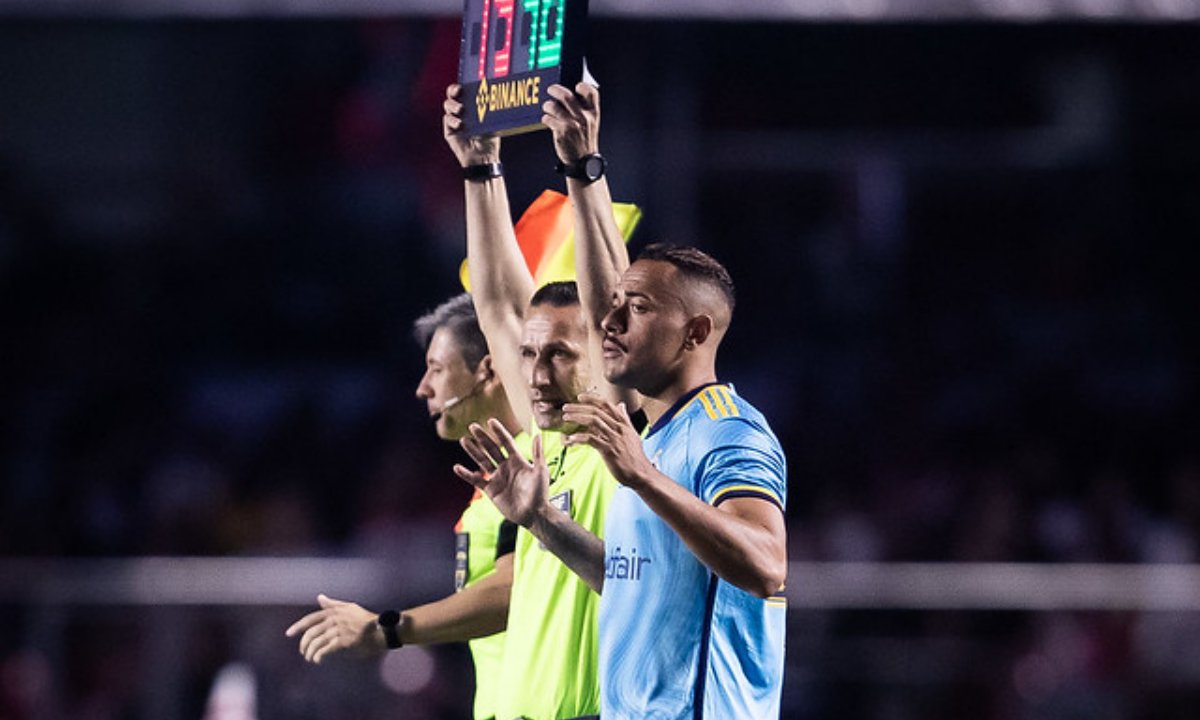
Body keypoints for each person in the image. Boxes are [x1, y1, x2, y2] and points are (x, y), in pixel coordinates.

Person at [455, 83, 789, 718]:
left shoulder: (731, 431)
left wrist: (641, 478)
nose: (610, 323)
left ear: (695, 332)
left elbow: (767, 565)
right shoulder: (653, 438)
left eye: (635, 309)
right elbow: (634, 586)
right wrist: (543, 523)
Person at [442, 81, 632, 720]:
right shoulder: (541, 443)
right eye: (527, 356)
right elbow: (496, 302)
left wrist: (583, 165)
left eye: (559, 355)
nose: (538, 375)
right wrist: (480, 167)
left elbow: (611, 310)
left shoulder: (618, 445)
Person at [285, 294, 526, 720]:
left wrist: (385, 630)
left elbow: (511, 594)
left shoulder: (535, 466)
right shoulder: (490, 486)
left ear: (488, 368)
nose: (423, 388)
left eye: (436, 369)